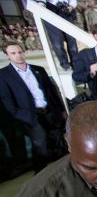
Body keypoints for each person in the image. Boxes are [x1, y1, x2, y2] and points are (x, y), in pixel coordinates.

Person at [0, 42, 67, 172]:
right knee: (41, 146)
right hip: (30, 116)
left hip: (49, 112)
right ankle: (40, 175)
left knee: (59, 143)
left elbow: (52, 91)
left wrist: (61, 110)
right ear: (7, 55)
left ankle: (63, 172)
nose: (18, 55)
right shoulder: (4, 75)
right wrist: (22, 115)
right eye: (13, 53)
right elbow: (6, 99)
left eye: (20, 52)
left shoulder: (38, 69)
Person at [17, 0, 78, 71]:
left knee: (72, 41)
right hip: (48, 10)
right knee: (57, 42)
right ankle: (65, 65)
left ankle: (76, 65)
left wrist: (71, 6)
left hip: (65, 10)